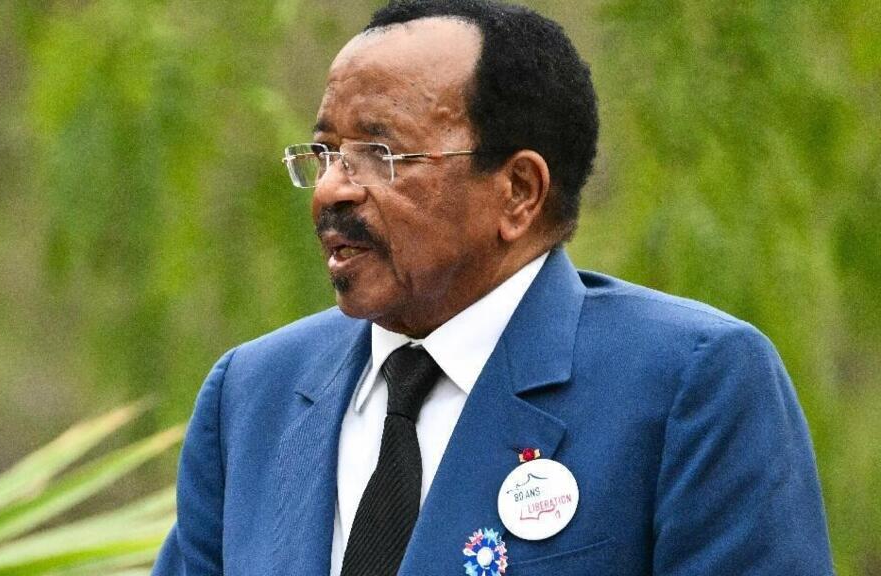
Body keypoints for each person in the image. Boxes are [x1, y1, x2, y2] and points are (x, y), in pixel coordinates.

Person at [153, 0, 833, 574]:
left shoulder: (690, 383)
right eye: (326, 152)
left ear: (518, 192)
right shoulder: (254, 392)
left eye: (380, 154)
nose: (331, 189)